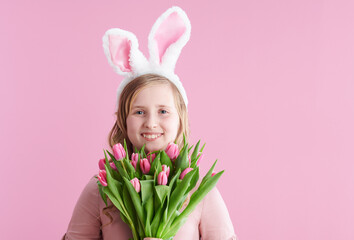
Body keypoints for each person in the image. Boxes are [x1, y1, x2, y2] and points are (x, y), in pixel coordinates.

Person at [64, 6, 236, 240]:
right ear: (123, 120)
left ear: (180, 119)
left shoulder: (199, 190)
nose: (151, 123)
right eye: (139, 112)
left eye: (163, 111)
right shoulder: (100, 188)